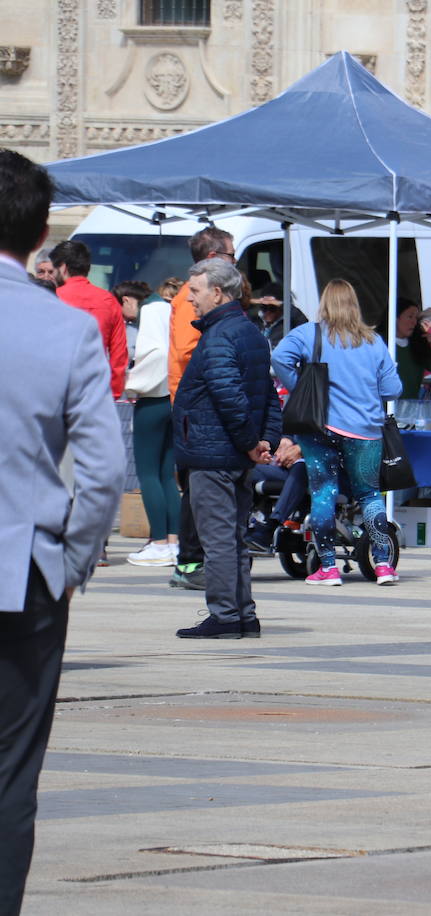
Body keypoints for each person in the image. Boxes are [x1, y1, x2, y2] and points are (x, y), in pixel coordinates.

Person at [0, 150, 124, 915]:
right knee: (13, 769)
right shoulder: (67, 328)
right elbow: (104, 470)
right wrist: (71, 558)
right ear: (42, 232)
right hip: (26, 569)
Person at [173, 257, 281, 637]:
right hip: (231, 452)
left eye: (196, 292)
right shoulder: (250, 332)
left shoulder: (220, 336)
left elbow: (229, 396)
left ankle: (224, 615)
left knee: (217, 540)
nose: (190, 300)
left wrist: (254, 443)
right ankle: (243, 614)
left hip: (214, 453)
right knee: (232, 538)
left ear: (217, 293)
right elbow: (267, 395)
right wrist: (263, 440)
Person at [273, 279, 403, 586]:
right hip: (365, 430)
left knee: (323, 493)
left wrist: (301, 387)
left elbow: (279, 357)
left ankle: (328, 568)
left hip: (319, 426)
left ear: (324, 304)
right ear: (354, 305)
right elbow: (392, 389)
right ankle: (383, 565)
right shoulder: (373, 341)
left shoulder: (309, 334)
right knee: (370, 494)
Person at [167, 227, 238, 591]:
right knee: (197, 485)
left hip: (198, 400)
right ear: (213, 257)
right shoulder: (189, 297)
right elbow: (184, 349)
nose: (234, 262)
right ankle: (189, 562)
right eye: (230, 255)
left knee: (201, 484)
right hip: (193, 404)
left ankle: (196, 560)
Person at [123, 275, 180, 567]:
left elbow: (150, 353)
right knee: (166, 474)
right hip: (172, 397)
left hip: (151, 398)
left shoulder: (149, 310)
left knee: (148, 473)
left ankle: (158, 541)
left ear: (127, 301)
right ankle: (173, 540)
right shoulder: (169, 308)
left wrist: (130, 380)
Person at [50, 239, 127, 399]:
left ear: (63, 268)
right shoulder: (109, 300)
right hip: (95, 389)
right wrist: (114, 391)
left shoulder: (51, 299)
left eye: (53, 270)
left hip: (56, 389)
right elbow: (119, 353)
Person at [394, 299, 431, 399]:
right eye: (410, 317)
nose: (413, 322)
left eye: (416, 318)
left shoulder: (418, 344)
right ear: (395, 318)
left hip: (410, 408)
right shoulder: (379, 343)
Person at [251, 281, 309, 348]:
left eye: (272, 308)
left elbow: (303, 324)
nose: (267, 312)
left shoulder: (290, 324)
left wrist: (285, 305)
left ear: (281, 307)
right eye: (264, 308)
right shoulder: (256, 322)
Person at [113, 279, 151, 368]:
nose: (143, 309)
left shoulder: (134, 329)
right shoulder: (108, 327)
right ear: (126, 301)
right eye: (140, 304)